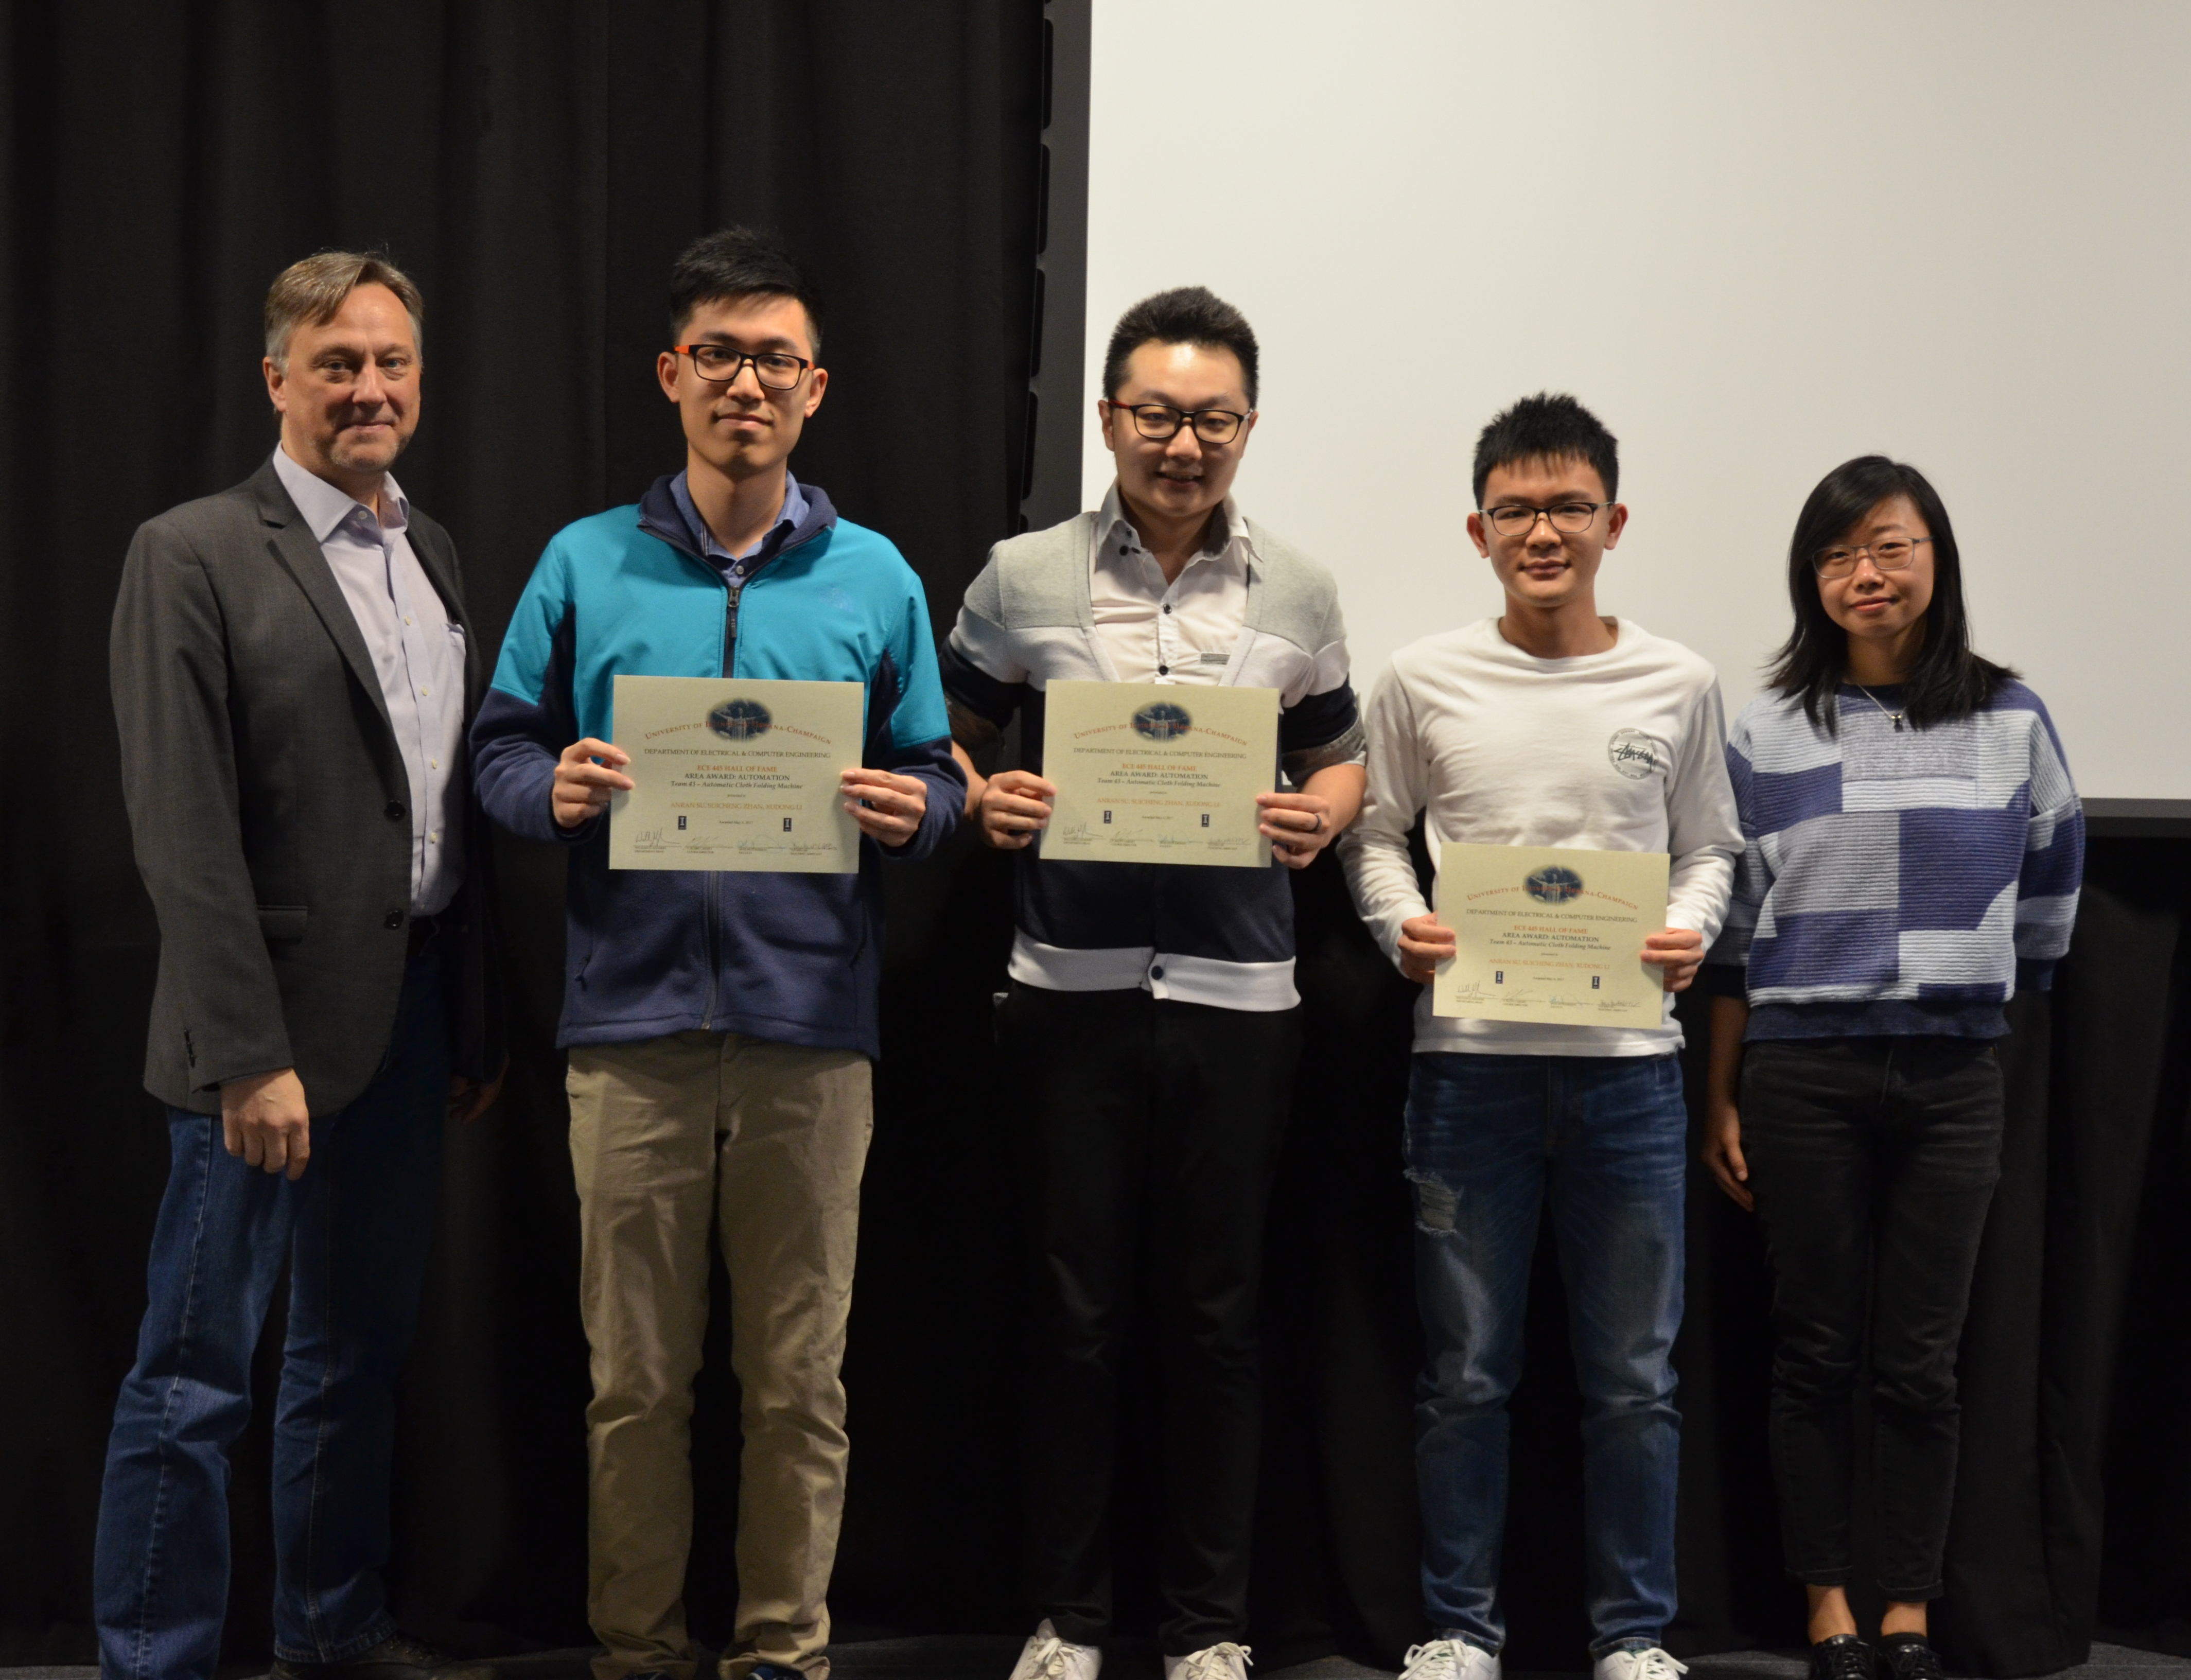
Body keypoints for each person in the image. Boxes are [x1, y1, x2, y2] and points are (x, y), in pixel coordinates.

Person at [470, 226, 961, 1680]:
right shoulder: (584, 561)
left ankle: (780, 1652)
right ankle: (636, 1649)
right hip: (628, 1029)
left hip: (815, 1032)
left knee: (798, 1385)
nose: (748, 384)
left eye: (777, 362)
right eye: (721, 357)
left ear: (818, 390)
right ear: (674, 376)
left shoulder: (873, 575)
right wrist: (544, 789)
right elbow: (499, 749)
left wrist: (910, 811)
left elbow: (937, 777)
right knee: (634, 1385)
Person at [942, 286, 1365, 1680]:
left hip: (1244, 999)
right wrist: (983, 794)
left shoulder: (1298, 588)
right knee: (1072, 1317)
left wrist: (1324, 813)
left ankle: (1210, 1627)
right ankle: (1064, 1622)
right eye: (1157, 416)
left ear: (1246, 428)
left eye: (1214, 420)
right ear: (1112, 417)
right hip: (1064, 990)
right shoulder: (1023, 576)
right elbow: (943, 730)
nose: (1184, 445)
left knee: (1221, 1321)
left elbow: (1336, 754)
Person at [98, 251, 503, 1680]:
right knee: (197, 1375)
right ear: (277, 382)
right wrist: (246, 1054)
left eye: (392, 362)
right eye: (337, 365)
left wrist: (465, 1021)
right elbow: (183, 830)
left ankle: (332, 1631)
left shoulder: (432, 549)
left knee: (351, 1358)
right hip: (257, 1049)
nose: (370, 389)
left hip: (404, 1028)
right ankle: (158, 1656)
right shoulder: (192, 551)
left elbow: (434, 804)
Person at [1340, 393, 1741, 1680]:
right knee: (1464, 1375)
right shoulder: (1419, 676)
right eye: (1515, 509)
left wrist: (1685, 926)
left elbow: (1712, 846)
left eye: (1568, 506)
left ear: (1612, 521)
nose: (1543, 530)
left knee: (1634, 1380)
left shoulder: (1675, 679)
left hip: (1629, 1080)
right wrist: (1399, 929)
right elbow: (1372, 834)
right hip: (1467, 1073)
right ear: (1477, 529)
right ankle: (1459, 1629)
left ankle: (1632, 1637)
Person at [1698, 457, 2083, 1680]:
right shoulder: (1761, 728)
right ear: (1808, 580)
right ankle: (1826, 1609)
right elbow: (1730, 939)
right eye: (1833, 556)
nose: (1862, 575)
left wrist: (1960, 993)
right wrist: (1718, 1093)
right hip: (1798, 1075)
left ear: (1934, 558)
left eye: (1886, 547)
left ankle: (1908, 1611)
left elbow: (2051, 900)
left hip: (1951, 1077)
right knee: (1814, 1349)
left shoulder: (2011, 717)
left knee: (1920, 1359)